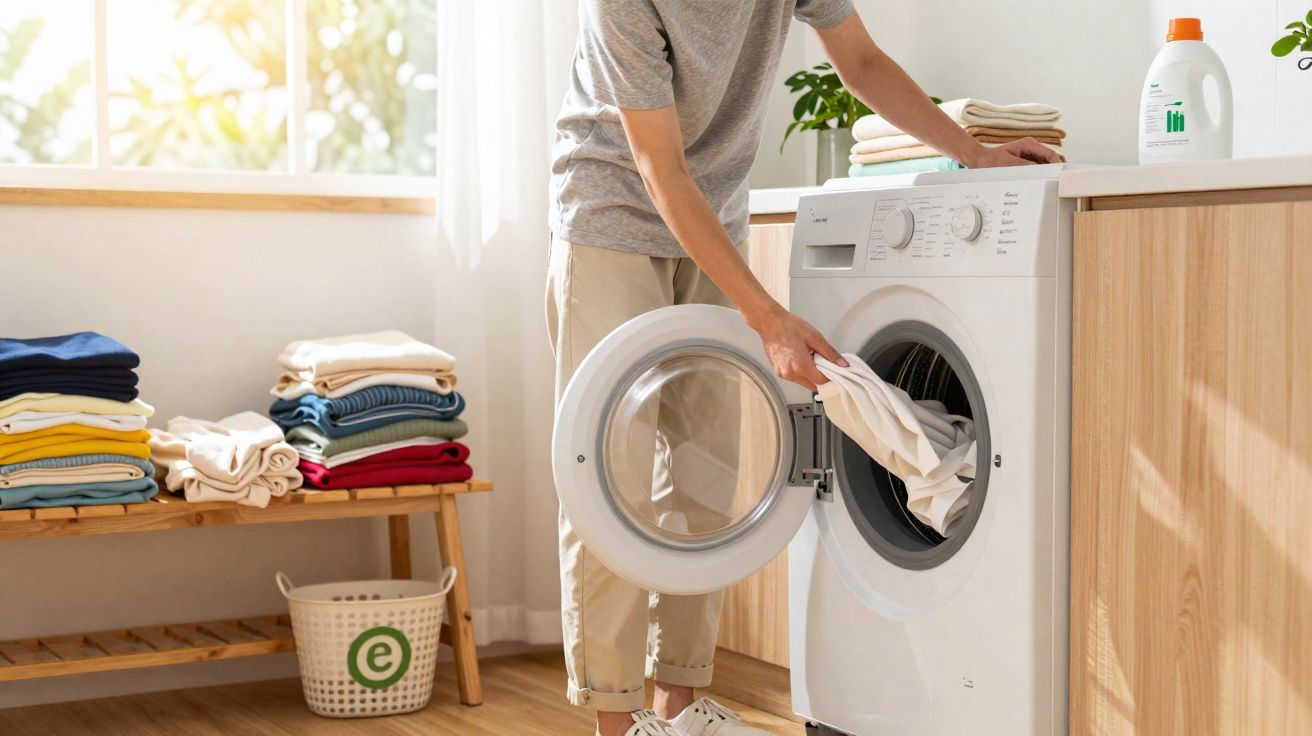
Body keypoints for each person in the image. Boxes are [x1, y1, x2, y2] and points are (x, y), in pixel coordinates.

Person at [546, 2, 1061, 735]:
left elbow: (864, 63)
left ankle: (679, 709)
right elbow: (657, 165)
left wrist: (973, 153)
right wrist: (767, 317)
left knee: (708, 471)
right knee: (608, 473)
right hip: (609, 219)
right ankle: (615, 721)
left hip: (712, 218)